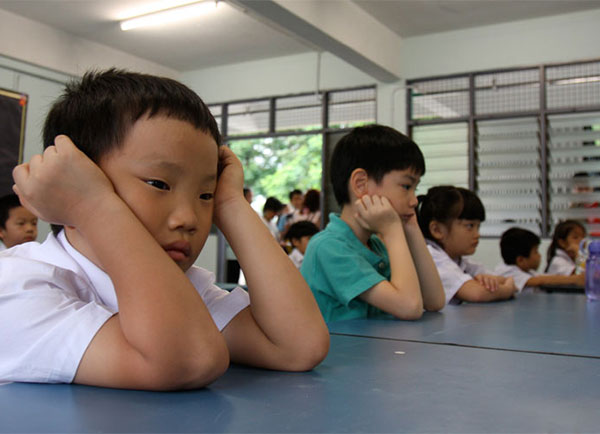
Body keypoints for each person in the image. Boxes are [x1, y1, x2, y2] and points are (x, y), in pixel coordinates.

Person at [0, 69, 329, 390]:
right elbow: (190, 360)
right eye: (158, 183)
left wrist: (230, 204)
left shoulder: (186, 288)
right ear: (71, 185)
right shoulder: (18, 285)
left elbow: (298, 346)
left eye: (205, 195)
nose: (189, 218)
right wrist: (93, 206)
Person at [301, 124, 445, 322]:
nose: (414, 201)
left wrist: (411, 227)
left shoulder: (374, 246)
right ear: (361, 184)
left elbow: (434, 301)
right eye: (406, 186)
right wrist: (393, 230)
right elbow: (409, 307)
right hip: (339, 352)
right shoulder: (328, 247)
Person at [417, 186, 517, 304]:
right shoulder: (431, 257)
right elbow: (477, 294)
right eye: (470, 226)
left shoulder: (461, 262)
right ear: (437, 230)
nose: (477, 234)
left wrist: (489, 281)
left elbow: (502, 280)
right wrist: (508, 289)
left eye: (478, 226)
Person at [494, 227, 585, 291]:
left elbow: (547, 277)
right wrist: (575, 280)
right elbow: (540, 280)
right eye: (536, 252)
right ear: (521, 260)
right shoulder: (506, 271)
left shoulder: (528, 271)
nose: (539, 256)